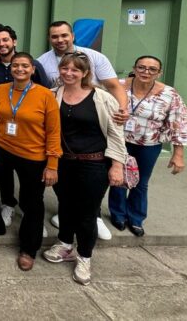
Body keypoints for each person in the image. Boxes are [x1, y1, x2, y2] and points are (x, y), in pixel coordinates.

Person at [42, 53, 127, 286]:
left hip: (94, 163)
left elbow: (115, 132)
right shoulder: (52, 95)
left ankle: (85, 257)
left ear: (85, 73)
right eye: (65, 68)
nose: (69, 73)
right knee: (65, 205)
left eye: (75, 70)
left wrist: (117, 165)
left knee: (88, 213)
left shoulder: (102, 98)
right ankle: (65, 244)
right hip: (63, 162)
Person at [38, 21, 128, 239]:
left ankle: (92, 227)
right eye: (55, 36)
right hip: (63, 150)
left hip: (93, 148)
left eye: (64, 35)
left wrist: (123, 109)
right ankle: (66, 241)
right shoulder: (44, 67)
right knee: (66, 200)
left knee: (89, 202)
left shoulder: (97, 71)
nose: (60, 40)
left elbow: (115, 86)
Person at [0, 52, 61, 271]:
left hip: (33, 155)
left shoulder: (45, 95)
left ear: (32, 69)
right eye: (15, 66)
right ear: (10, 68)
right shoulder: (1, 90)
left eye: (24, 66)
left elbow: (53, 132)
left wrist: (52, 165)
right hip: (2, 149)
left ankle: (28, 248)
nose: (20, 69)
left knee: (31, 202)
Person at [108, 55, 187, 237]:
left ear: (159, 72)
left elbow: (179, 122)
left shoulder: (169, 94)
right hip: (119, 140)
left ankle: (136, 218)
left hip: (149, 144)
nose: (145, 72)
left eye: (152, 69)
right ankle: (118, 214)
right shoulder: (119, 85)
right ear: (135, 67)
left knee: (141, 181)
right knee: (118, 178)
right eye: (141, 67)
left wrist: (178, 153)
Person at [0, 24, 50, 227]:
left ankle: (32, 218)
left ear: (14, 41)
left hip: (30, 135)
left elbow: (45, 96)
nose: (1, 44)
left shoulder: (33, 65)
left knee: (30, 183)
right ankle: (8, 204)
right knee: (4, 174)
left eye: (5, 40)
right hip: (4, 133)